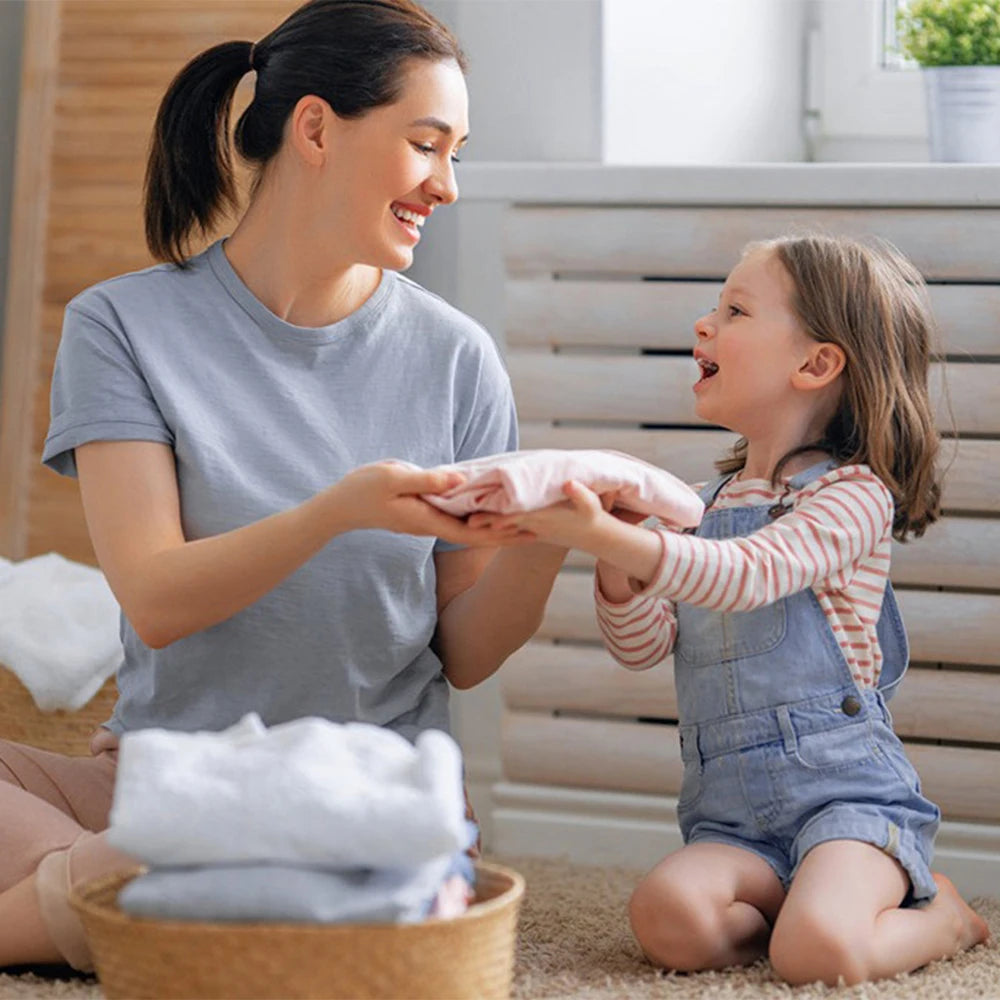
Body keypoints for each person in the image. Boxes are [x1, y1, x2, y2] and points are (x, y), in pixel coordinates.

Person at [0, 0, 564, 970]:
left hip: (367, 793)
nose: (449, 186)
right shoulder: (122, 327)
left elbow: (463, 652)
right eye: (426, 145)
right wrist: (336, 513)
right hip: (161, 778)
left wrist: (547, 539)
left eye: (455, 152)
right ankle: (151, 890)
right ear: (314, 128)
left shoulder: (458, 358)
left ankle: (98, 902)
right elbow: (156, 596)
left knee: (221, 855)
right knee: (158, 833)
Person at [472, 234, 991, 985]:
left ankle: (940, 916)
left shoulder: (853, 498)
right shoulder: (698, 508)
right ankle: (800, 908)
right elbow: (641, 645)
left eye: (735, 311)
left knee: (820, 957)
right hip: (732, 819)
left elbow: (750, 575)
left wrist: (612, 535)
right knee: (667, 920)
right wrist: (617, 562)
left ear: (815, 365)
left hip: (845, 804)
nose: (703, 325)